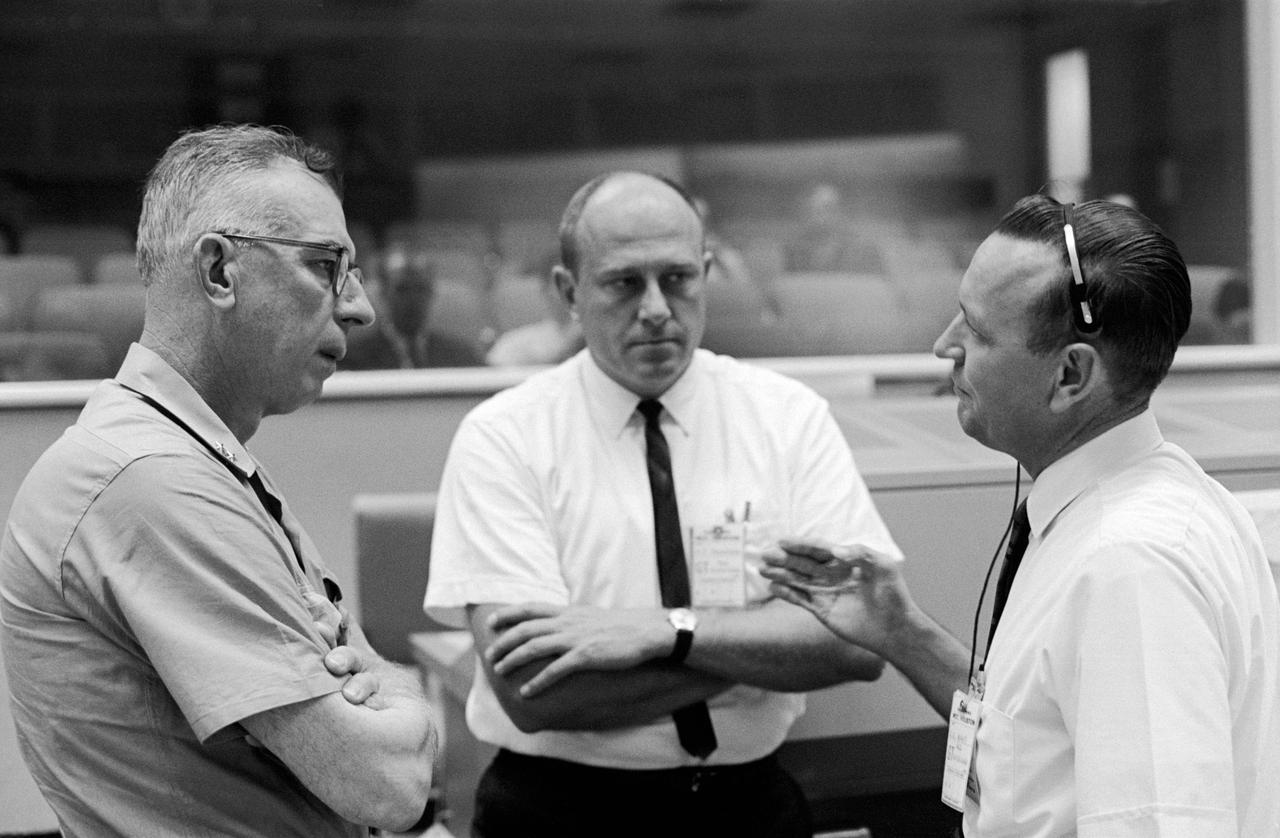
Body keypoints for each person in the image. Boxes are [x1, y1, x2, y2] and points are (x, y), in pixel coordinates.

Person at [764, 194, 1280, 837]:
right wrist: (904, 634)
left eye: (977, 332)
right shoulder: (1110, 512)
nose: (942, 347)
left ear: (1070, 375)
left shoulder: (1130, 566)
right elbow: (1031, 746)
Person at [424, 170, 899, 838]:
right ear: (569, 293)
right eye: (624, 283)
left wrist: (661, 632)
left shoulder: (788, 418)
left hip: (749, 807)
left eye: (678, 278)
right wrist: (760, 644)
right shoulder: (506, 437)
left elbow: (858, 638)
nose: (656, 308)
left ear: (707, 274)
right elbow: (534, 690)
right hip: (560, 812)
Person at [0, 124, 438, 837]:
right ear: (219, 272)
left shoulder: (186, 453)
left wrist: (390, 692)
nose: (359, 306)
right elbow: (386, 786)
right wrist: (411, 696)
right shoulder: (151, 481)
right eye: (327, 266)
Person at [341, 241, 484, 369]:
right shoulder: (353, 361)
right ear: (383, 293)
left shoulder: (461, 357)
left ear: (431, 293)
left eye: (421, 289)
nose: (412, 299)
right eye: (402, 289)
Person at [485, 253, 585, 367]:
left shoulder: (604, 343)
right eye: (565, 283)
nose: (573, 291)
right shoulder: (513, 345)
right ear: (545, 290)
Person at [783, 182, 886, 274]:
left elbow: (877, 289)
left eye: (827, 208)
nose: (819, 216)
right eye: (812, 209)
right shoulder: (794, 252)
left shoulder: (865, 251)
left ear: (842, 211)